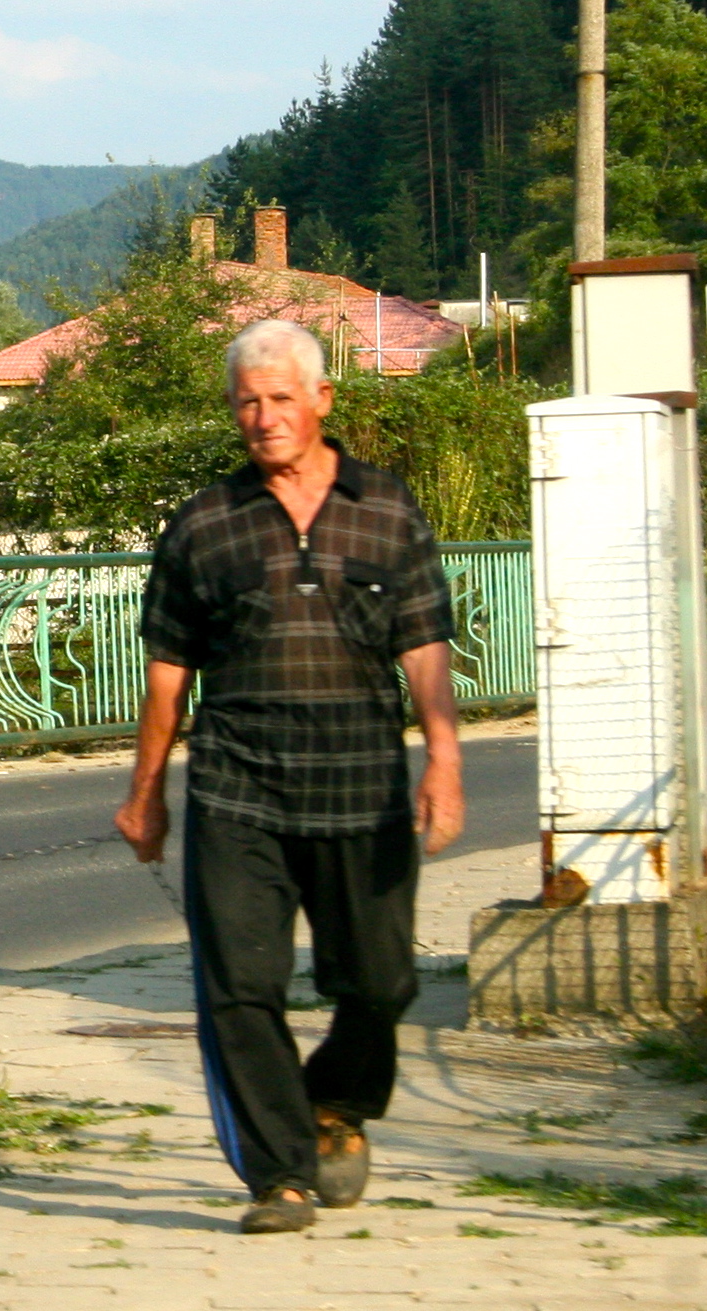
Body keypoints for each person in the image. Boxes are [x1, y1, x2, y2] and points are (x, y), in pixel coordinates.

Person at [117, 317, 465, 1236]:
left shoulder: (386, 509)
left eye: (279, 398)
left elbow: (426, 645)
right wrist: (146, 791)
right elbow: (168, 671)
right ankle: (282, 1176)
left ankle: (334, 1100)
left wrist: (446, 759)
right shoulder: (204, 523)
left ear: (322, 399)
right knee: (240, 985)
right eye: (247, 401)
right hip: (241, 792)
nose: (263, 416)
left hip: (363, 788)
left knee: (382, 981)